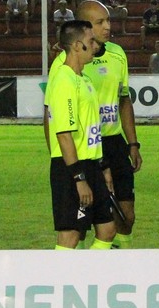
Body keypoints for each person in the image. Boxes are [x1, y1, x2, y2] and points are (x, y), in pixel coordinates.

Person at [44, 19, 117, 250]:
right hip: (71, 169)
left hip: (91, 165)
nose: (95, 45)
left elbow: (91, 130)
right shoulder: (64, 81)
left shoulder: (84, 79)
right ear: (76, 46)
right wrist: (79, 179)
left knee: (107, 229)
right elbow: (64, 134)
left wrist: (103, 168)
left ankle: (86, 279)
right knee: (71, 236)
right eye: (90, 41)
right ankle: (60, 281)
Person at [78, 0, 143, 250]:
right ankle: (87, 270)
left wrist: (133, 143)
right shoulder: (73, 60)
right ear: (85, 26)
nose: (107, 26)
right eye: (100, 22)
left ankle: (122, 264)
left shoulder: (117, 54)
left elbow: (124, 99)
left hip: (115, 143)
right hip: (87, 146)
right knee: (86, 222)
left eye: (108, 20)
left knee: (126, 217)